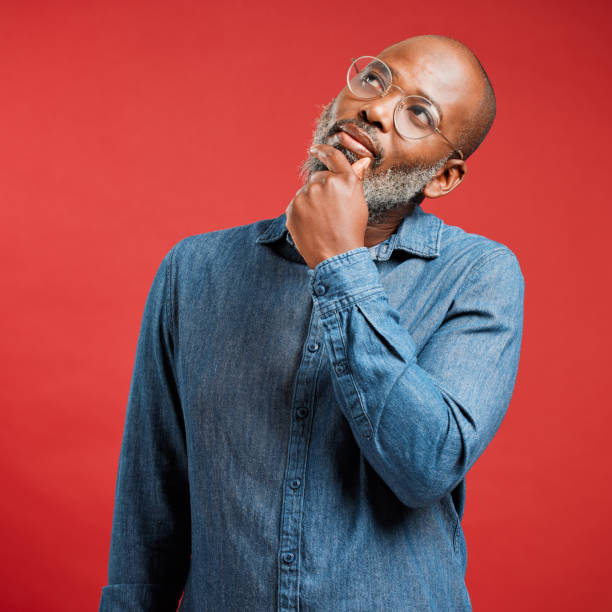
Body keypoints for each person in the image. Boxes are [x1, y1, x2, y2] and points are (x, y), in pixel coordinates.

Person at [99, 34, 525, 611]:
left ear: (443, 178)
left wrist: (340, 266)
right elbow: (152, 500)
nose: (375, 108)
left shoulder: (479, 275)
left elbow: (426, 466)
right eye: (375, 80)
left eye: (418, 114)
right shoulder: (193, 270)